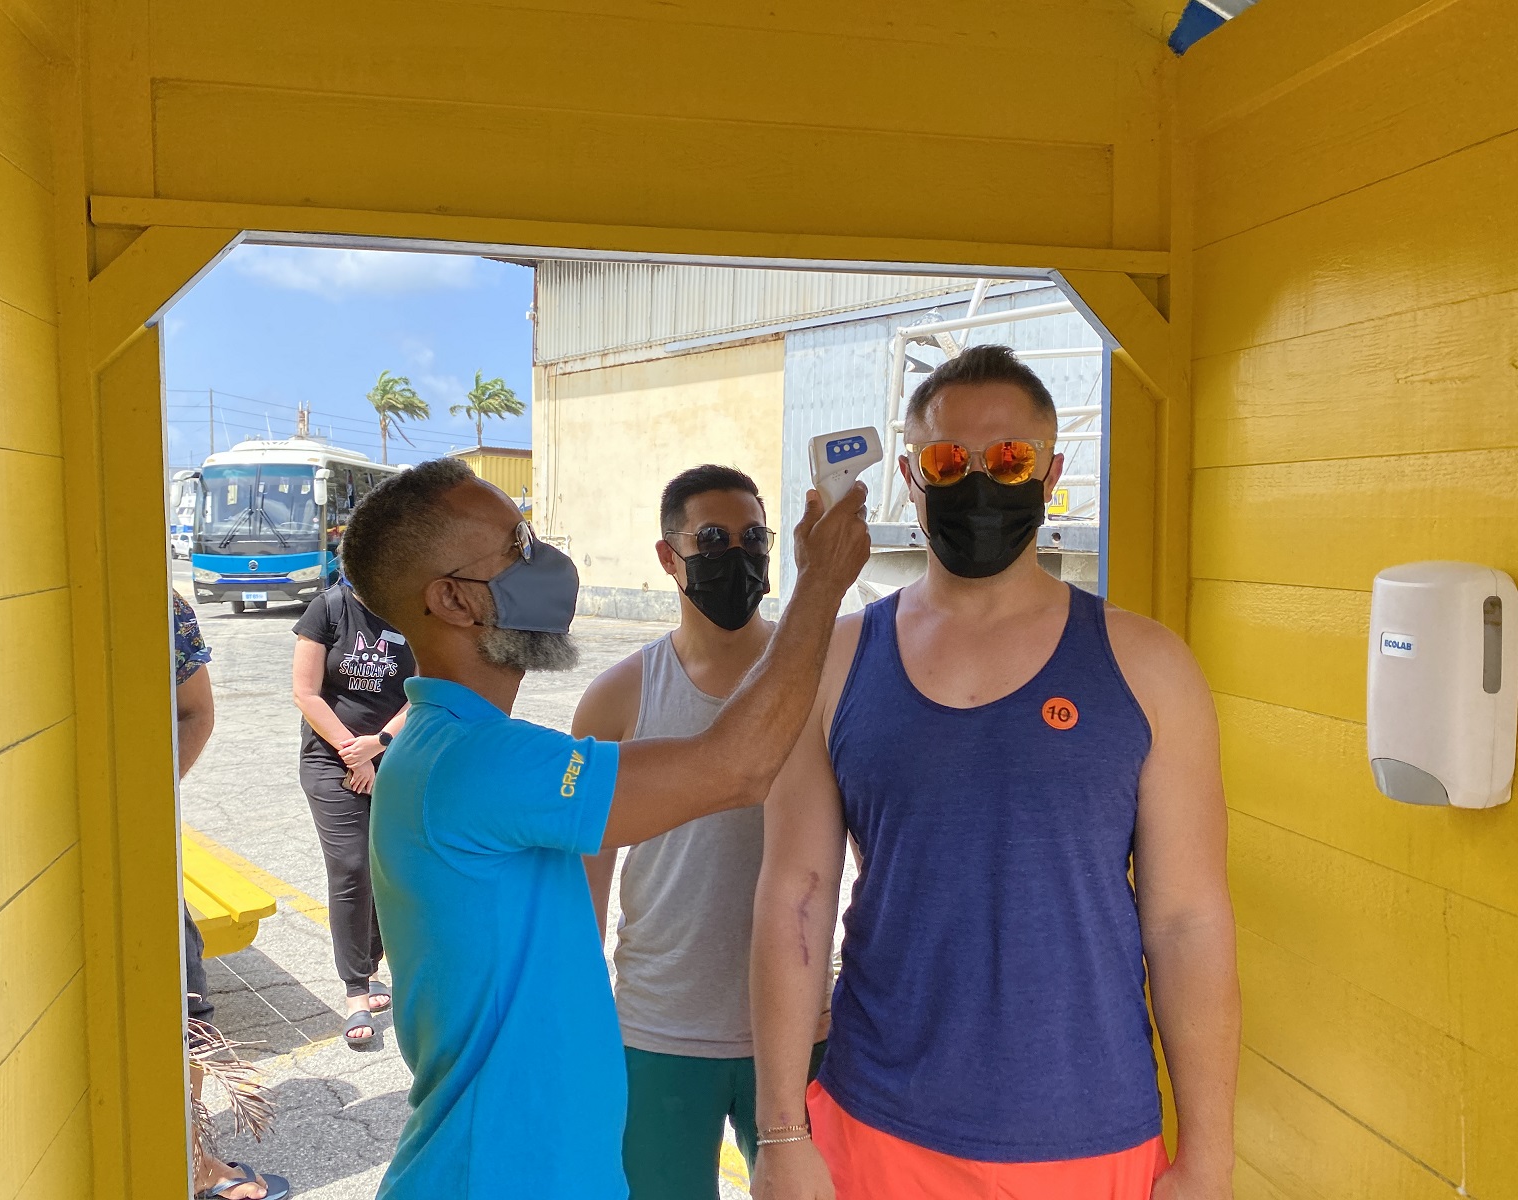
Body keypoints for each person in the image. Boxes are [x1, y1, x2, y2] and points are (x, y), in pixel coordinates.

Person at [749, 345, 1240, 1200]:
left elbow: (1189, 921)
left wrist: (1208, 1158)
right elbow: (794, 894)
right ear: (910, 475)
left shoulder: (1149, 666)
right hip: (875, 1125)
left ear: (1050, 472)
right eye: (948, 459)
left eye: (1008, 458)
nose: (978, 480)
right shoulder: (835, 660)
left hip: (1090, 1135)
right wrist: (783, 1133)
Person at [337, 456, 868, 1199]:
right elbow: (737, 765)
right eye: (517, 547)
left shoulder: (449, 747)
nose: (546, 561)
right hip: (493, 1173)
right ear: (455, 599)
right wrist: (822, 581)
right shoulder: (477, 762)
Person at [576, 465, 833, 1200]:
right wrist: (583, 1021)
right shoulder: (619, 697)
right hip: (659, 1031)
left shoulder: (817, 679)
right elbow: (586, 883)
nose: (738, 555)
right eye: (713, 538)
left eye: (754, 537)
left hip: (794, 1034)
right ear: (668, 556)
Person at [174, 593, 289, 1200]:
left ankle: (191, 1165)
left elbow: (195, 712)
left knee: (181, 1006)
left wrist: (146, 797)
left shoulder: (165, 607)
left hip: (140, 852)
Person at [291, 578, 414, 1048]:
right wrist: (353, 753)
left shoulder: (413, 609)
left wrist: (379, 746)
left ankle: (373, 957)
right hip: (331, 759)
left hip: (395, 754)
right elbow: (306, 693)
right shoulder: (327, 609)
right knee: (351, 865)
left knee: (388, 865)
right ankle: (356, 990)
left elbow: (424, 689)